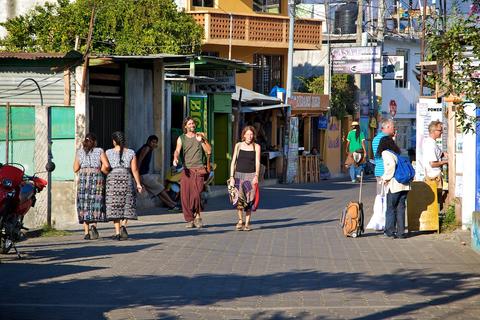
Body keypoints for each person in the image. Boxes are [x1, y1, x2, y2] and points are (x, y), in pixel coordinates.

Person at [173, 117, 212, 228]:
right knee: (185, 196)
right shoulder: (181, 138)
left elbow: (209, 151)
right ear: (185, 126)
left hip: (199, 169)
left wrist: (204, 139)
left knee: (196, 194)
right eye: (189, 124)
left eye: (193, 123)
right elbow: (177, 150)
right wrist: (175, 158)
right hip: (187, 170)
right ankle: (190, 219)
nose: (192, 125)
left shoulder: (199, 137)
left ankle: (198, 216)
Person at [105, 131, 143, 240]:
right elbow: (134, 169)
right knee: (127, 203)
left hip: (113, 179)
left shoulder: (108, 152)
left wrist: (110, 175)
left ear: (113, 141)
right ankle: (123, 225)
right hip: (127, 178)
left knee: (114, 205)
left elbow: (105, 167)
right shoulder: (131, 152)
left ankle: (117, 232)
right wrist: (138, 184)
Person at [73, 133, 110, 240]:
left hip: (84, 178)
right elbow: (106, 165)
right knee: (95, 202)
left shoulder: (79, 152)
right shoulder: (99, 151)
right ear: (95, 142)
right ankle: (94, 226)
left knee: (84, 203)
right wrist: (101, 169)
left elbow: (75, 168)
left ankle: (86, 233)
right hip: (96, 177)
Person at [377, 136, 410, 239]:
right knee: (401, 208)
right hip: (404, 185)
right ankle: (401, 233)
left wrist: (385, 178)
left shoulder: (385, 153)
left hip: (394, 185)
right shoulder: (395, 153)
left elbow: (390, 166)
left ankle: (389, 232)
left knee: (391, 208)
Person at [136, 135, 180, 212]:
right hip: (143, 175)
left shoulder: (149, 149)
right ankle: (173, 204)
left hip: (143, 174)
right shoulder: (146, 148)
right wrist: (137, 174)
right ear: (149, 141)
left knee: (157, 192)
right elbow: (139, 160)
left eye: (155, 142)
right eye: (153, 142)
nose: (154, 144)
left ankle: (171, 205)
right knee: (160, 188)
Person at [229, 126, 261, 231]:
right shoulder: (238, 145)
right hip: (238, 175)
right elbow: (233, 161)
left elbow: (257, 162)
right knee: (239, 200)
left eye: (251, 134)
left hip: (250, 176)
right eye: (247, 134)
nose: (249, 136)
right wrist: (232, 177)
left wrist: (256, 176)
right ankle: (239, 220)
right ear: (243, 135)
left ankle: (247, 223)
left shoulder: (256, 146)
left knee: (249, 200)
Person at [423, 120, 448, 208]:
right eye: (440, 130)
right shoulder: (430, 144)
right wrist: (446, 161)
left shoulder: (432, 142)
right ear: (434, 131)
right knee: (435, 202)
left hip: (434, 176)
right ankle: (435, 220)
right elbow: (432, 163)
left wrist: (444, 154)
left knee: (436, 201)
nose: (441, 132)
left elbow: (439, 153)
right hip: (433, 177)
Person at [372, 119, 395, 194]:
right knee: (386, 197)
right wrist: (393, 141)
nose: (394, 129)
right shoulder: (386, 140)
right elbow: (392, 155)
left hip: (379, 170)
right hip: (386, 171)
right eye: (393, 127)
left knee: (380, 196)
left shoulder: (375, 139)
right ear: (388, 127)